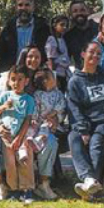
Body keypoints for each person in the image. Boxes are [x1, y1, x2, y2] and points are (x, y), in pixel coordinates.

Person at [68, 44, 104, 199]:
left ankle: (90, 184)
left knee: (96, 141)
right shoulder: (75, 81)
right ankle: (89, 179)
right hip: (85, 123)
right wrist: (83, 130)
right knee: (73, 137)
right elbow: (74, 109)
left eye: (98, 54)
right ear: (83, 54)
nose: (95, 56)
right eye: (91, 52)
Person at [0, 67, 35, 203]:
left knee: (24, 160)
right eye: (13, 79)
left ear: (26, 81)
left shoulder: (29, 99)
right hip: (7, 136)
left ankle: (27, 189)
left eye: (20, 79)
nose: (16, 83)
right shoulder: (5, 96)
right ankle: (13, 189)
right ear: (9, 81)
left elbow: (27, 120)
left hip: (22, 136)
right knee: (10, 163)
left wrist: (20, 138)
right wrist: (4, 107)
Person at [28, 68, 67, 200]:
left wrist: (54, 114)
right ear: (45, 81)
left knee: (47, 129)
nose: (55, 80)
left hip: (53, 122)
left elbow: (62, 105)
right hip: (39, 123)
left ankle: (44, 182)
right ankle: (36, 142)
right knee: (39, 129)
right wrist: (34, 118)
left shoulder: (58, 93)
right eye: (52, 78)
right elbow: (35, 107)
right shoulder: (38, 95)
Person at [0, 0, 49, 80]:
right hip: (14, 77)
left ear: (33, 7)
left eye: (27, 5)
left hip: (37, 77)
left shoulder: (43, 28)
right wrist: (6, 75)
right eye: (20, 5)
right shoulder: (8, 29)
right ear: (16, 8)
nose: (23, 8)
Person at [45, 15, 73, 79]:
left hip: (65, 74)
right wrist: (53, 77)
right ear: (55, 26)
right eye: (62, 25)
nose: (64, 27)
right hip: (57, 74)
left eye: (66, 25)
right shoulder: (52, 39)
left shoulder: (63, 39)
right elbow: (51, 61)